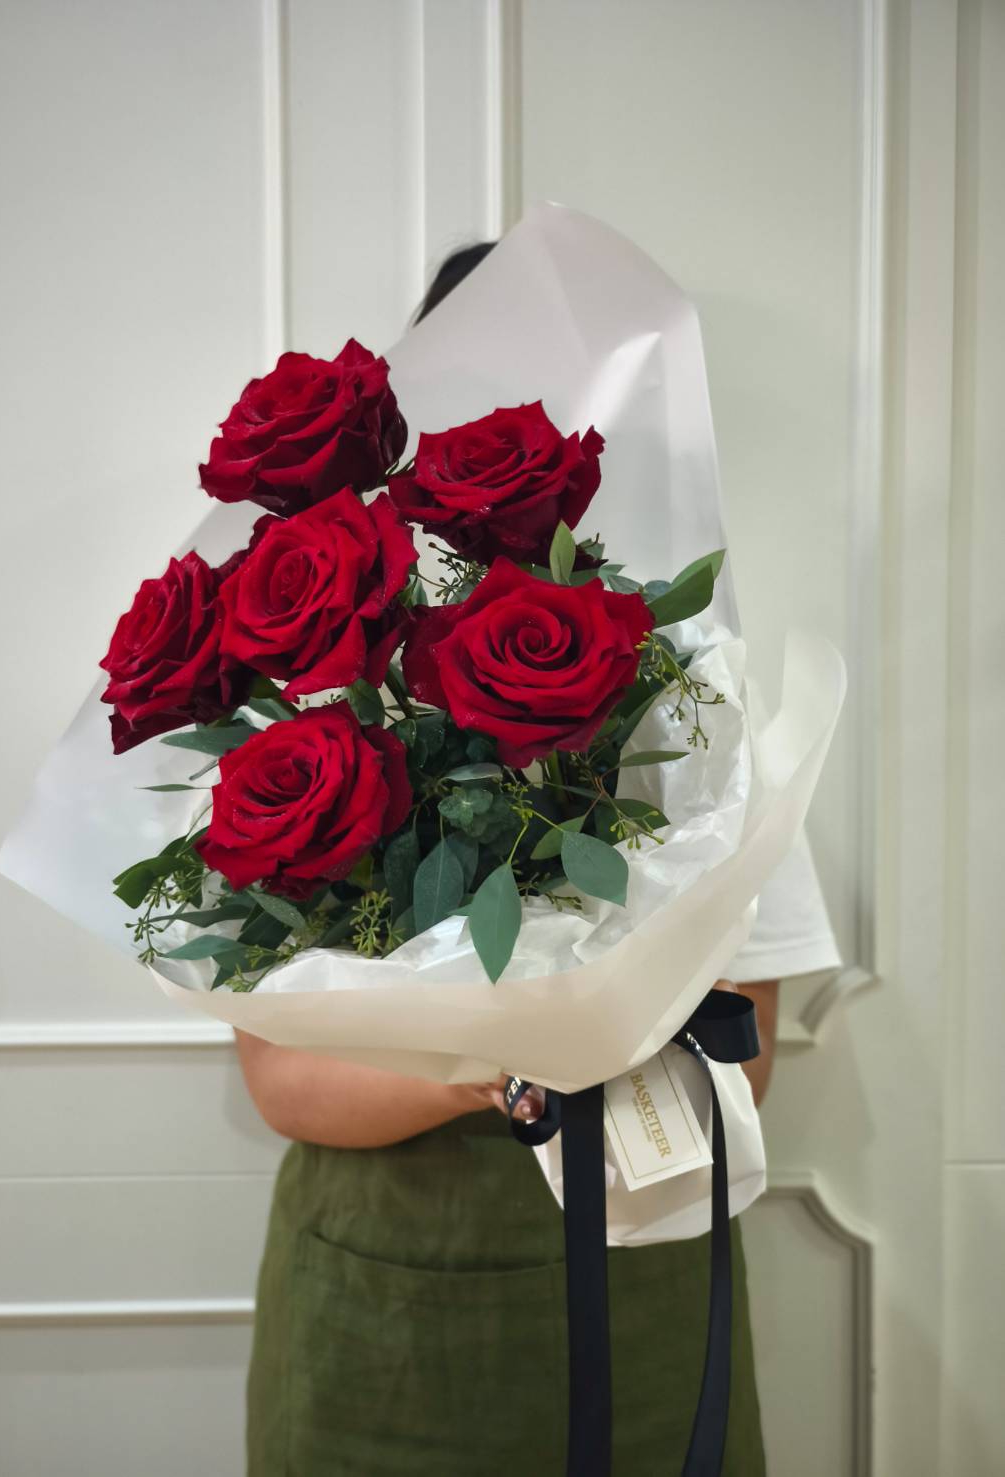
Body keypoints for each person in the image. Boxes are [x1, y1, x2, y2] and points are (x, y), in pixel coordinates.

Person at [237, 244, 840, 1476]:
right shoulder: (312, 707)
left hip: (642, 1280)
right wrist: (497, 1076)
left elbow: (749, 1058)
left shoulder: (692, 698)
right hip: (379, 1307)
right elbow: (282, 1081)